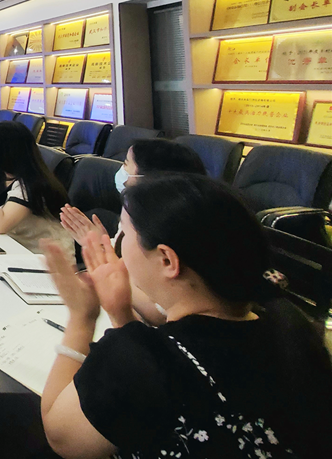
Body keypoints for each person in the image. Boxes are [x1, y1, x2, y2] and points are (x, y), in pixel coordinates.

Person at [40, 174, 332, 459]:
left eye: (125, 233)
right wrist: (121, 314)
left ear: (167, 260)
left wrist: (82, 318)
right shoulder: (293, 330)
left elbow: (62, 437)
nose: (118, 245)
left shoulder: (135, 358)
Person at [0, 120, 73, 257]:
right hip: (16, 247)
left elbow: (0, 225)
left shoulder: (31, 184)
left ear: (3, 150)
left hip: (48, 259)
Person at [62, 138, 208, 239]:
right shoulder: (133, 210)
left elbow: (129, 270)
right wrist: (102, 242)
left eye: (126, 164)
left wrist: (99, 246)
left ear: (148, 178)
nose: (121, 169)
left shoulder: (162, 231)